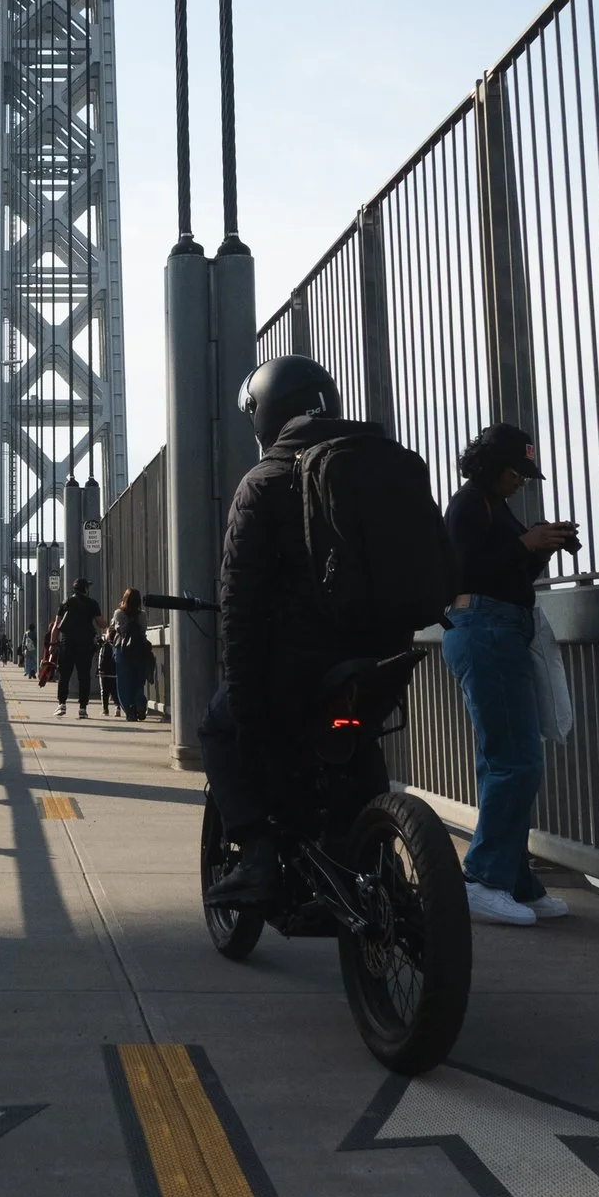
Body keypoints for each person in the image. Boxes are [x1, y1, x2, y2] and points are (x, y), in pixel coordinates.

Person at [202, 355, 442, 907]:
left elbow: (240, 603)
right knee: (357, 737)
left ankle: (257, 858)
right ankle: (378, 858)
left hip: (298, 669)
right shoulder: (386, 466)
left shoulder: (264, 481)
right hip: (382, 661)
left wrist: (243, 694)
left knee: (219, 728)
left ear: (265, 413)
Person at [444, 422, 579, 926]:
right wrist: (525, 543)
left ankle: (514, 880)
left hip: (501, 629)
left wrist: (539, 548)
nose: (521, 480)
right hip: (485, 629)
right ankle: (484, 879)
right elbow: (463, 572)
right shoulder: (468, 504)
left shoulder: (495, 506)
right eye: (516, 471)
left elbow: (509, 576)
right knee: (515, 762)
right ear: (493, 465)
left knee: (506, 761)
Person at [51, 578, 102, 717]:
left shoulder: (66, 602)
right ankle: (83, 709)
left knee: (64, 675)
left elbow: (56, 626)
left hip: (67, 644)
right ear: (85, 589)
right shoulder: (92, 603)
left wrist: (52, 644)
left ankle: (62, 704)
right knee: (84, 677)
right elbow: (101, 623)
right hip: (85, 645)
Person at [108, 588, 154, 721]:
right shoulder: (142, 615)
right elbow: (143, 631)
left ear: (125, 599)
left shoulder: (119, 613)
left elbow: (120, 630)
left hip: (122, 651)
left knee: (124, 682)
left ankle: (129, 712)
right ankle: (140, 702)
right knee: (138, 680)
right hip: (140, 650)